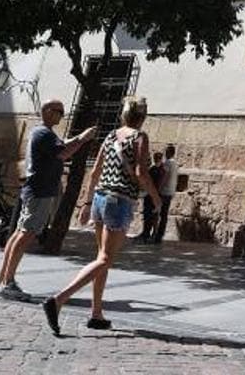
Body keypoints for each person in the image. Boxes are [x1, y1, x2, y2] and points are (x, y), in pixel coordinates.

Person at [42, 97, 160, 335]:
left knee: (101, 258)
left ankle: (96, 314)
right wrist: (156, 198)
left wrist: (86, 204)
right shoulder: (140, 137)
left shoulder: (110, 136)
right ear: (142, 116)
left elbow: (94, 172)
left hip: (99, 198)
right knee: (105, 259)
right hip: (119, 201)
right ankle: (57, 300)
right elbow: (141, 173)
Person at [0, 100, 95, 302]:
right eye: (59, 112)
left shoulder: (42, 133)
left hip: (35, 189)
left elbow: (62, 145)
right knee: (25, 235)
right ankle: (7, 284)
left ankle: (2, 280)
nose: (61, 116)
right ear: (47, 111)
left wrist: (77, 139)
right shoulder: (44, 133)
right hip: (40, 190)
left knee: (19, 234)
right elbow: (64, 153)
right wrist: (82, 139)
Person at [137, 150, 166, 243]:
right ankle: (152, 233)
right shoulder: (162, 170)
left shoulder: (153, 169)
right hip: (157, 194)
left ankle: (147, 233)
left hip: (151, 195)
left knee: (149, 215)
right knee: (154, 215)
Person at [152, 144, 178, 244]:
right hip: (170, 191)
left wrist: (158, 188)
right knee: (164, 214)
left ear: (169, 152)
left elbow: (164, 176)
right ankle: (160, 234)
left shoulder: (167, 163)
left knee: (157, 213)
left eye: (166, 151)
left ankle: (156, 234)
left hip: (164, 191)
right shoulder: (175, 163)